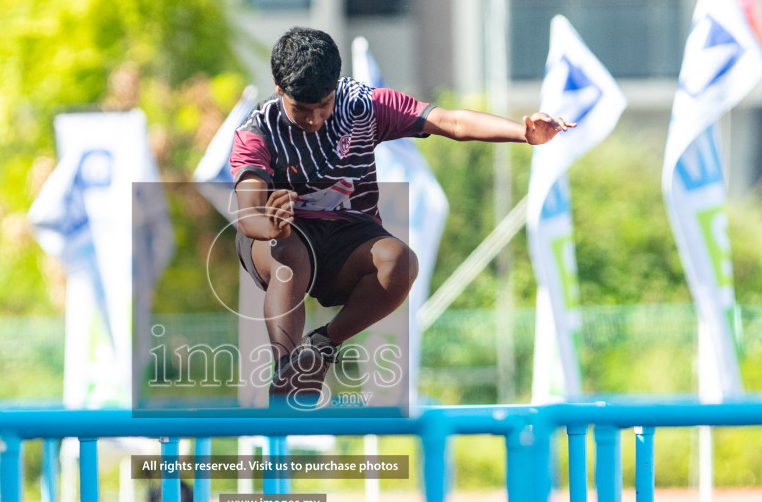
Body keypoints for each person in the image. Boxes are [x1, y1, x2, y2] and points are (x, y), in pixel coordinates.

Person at [229, 27, 575, 404]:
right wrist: (270, 223)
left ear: (336, 89)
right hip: (276, 239)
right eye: (301, 111)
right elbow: (249, 215)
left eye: (323, 106)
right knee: (290, 255)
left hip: (344, 241)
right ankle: (287, 370)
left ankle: (321, 346)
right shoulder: (258, 130)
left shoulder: (362, 105)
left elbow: (451, 122)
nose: (313, 120)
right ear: (280, 90)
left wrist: (523, 134)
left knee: (400, 261)